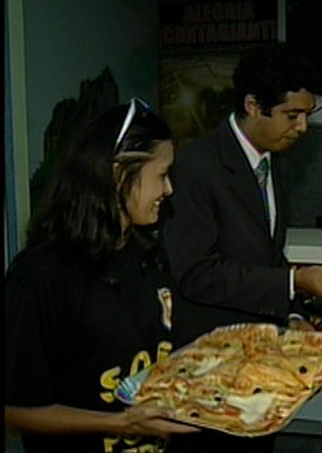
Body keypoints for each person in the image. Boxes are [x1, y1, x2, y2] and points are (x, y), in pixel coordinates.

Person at [160, 42, 322, 452]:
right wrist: (295, 281)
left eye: (306, 115)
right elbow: (196, 273)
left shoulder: (267, 161)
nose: (302, 128)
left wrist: (296, 309)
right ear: (252, 105)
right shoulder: (198, 167)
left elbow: (262, 256)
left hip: (258, 379)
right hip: (211, 381)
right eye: (292, 115)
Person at [5, 98, 200, 453]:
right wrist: (120, 423)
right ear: (118, 174)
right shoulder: (43, 277)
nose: (168, 190)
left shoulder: (149, 256)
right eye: (161, 176)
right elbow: (13, 411)